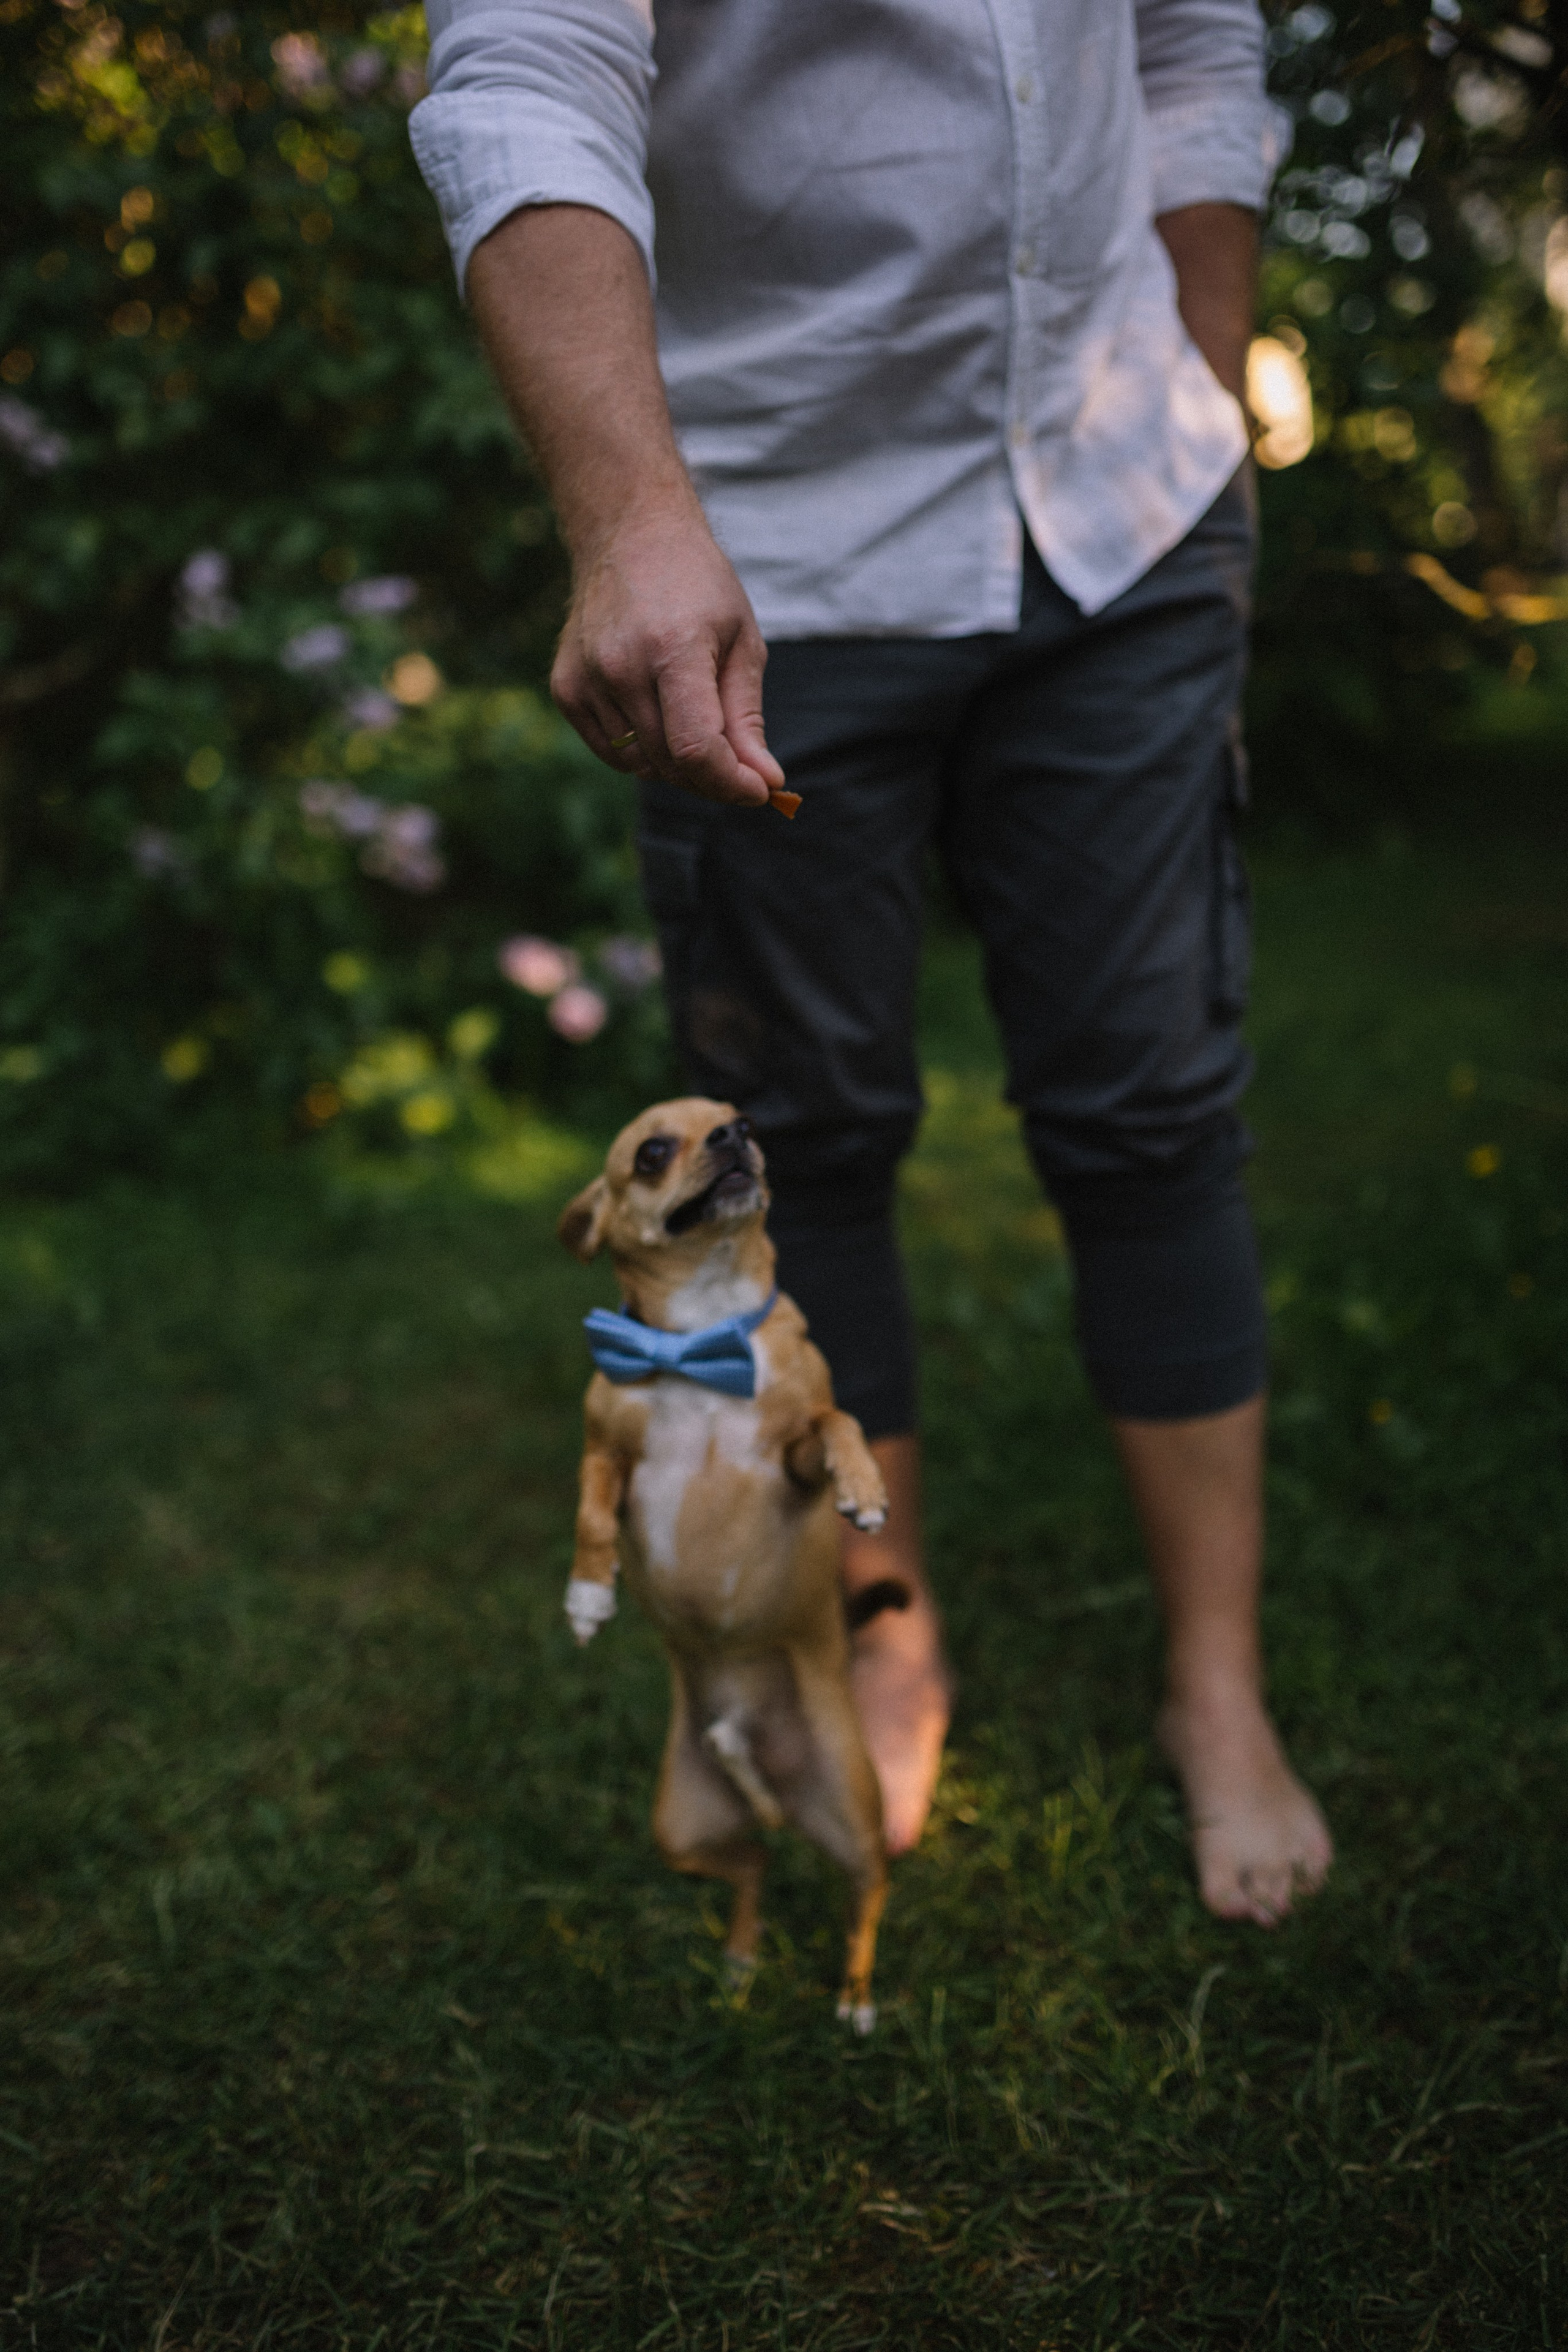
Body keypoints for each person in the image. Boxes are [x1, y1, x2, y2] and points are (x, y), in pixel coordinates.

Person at [411, 0, 1334, 1926]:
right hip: (764, 545)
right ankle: (888, 1629)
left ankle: (1219, 1693)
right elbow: (526, 71)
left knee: (1155, 1112)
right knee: (807, 1147)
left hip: (1129, 505)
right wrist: (629, 515)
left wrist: (1207, 356)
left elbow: (1193, 45)